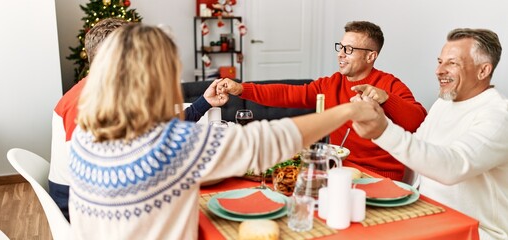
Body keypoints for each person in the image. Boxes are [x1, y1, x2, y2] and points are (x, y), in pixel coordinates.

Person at [68, 23, 378, 240]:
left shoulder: (84, 135)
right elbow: (269, 141)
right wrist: (349, 111)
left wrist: (201, 104)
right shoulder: (176, 146)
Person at [48, 18, 229, 220]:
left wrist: (205, 102)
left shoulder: (112, 91)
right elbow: (97, 179)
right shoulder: (84, 103)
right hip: (84, 209)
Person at [216, 21, 427, 181]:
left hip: (379, 178)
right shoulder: (330, 84)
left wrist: (386, 99)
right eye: (341, 47)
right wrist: (241, 88)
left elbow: (418, 121)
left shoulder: (389, 84)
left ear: (371, 56)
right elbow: (287, 94)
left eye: (349, 50)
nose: (341, 55)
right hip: (337, 172)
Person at [352, 28, 508, 239]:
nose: (439, 70)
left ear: (483, 71)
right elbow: (418, 149)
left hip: (475, 231)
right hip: (426, 215)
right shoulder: (444, 103)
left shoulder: (498, 116)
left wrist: (382, 130)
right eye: (440, 61)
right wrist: (378, 116)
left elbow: (452, 167)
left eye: (452, 63)